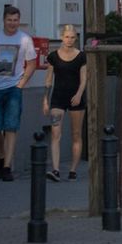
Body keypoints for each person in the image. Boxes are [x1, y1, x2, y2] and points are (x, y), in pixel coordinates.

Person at [0, 5, 38, 181]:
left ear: (19, 21)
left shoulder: (25, 39)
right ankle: (1, 154)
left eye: (16, 20)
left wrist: (22, 83)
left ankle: (6, 167)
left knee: (11, 126)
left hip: (13, 88)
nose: (13, 23)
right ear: (3, 20)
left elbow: (32, 63)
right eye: (9, 20)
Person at [43, 24, 87, 182]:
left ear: (76, 39)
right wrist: (45, 99)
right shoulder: (53, 56)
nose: (69, 40)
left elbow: (84, 79)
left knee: (76, 134)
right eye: (67, 37)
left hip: (76, 97)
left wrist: (79, 94)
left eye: (72, 37)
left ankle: (73, 169)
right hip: (58, 97)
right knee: (55, 132)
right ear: (62, 37)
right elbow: (49, 79)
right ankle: (55, 169)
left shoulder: (81, 56)